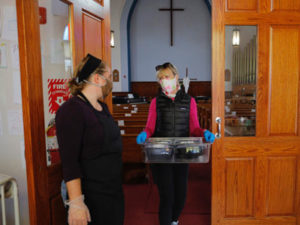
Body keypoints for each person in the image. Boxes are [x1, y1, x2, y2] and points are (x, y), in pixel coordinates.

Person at [136, 62, 215, 225]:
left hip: (181, 154)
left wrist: (204, 133)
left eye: (167, 77)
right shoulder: (156, 102)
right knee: (167, 195)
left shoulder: (189, 101)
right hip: (161, 154)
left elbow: (194, 128)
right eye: (161, 78)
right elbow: (150, 126)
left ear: (176, 77)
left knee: (181, 195)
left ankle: (174, 220)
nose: (164, 80)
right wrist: (145, 133)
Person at [56, 54, 124, 225]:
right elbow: (70, 162)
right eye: (109, 77)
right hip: (92, 196)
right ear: (97, 78)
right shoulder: (71, 110)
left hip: (111, 192)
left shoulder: (103, 107)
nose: (111, 81)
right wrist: (76, 203)